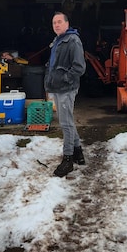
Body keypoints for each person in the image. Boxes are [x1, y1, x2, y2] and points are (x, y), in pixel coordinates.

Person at [44, 11, 86, 177]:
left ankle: (68, 159)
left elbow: (79, 67)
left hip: (66, 88)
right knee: (67, 121)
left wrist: (65, 79)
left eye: (60, 22)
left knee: (65, 123)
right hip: (57, 87)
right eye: (54, 22)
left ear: (67, 24)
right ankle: (78, 153)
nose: (57, 25)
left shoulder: (73, 40)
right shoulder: (58, 40)